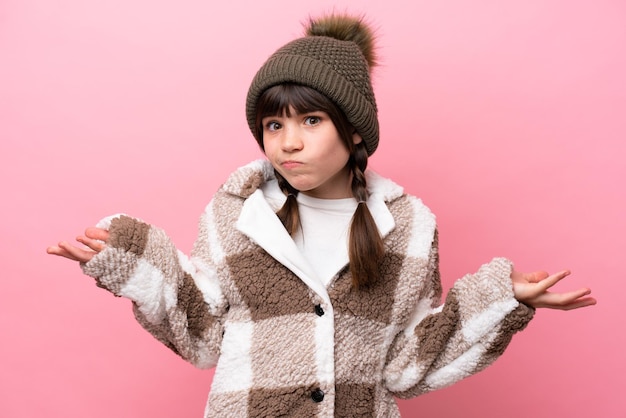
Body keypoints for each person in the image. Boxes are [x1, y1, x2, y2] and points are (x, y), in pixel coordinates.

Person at [47, 13, 596, 418]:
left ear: (354, 128)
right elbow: (205, 334)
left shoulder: (406, 227)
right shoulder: (236, 214)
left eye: (310, 120)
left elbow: (407, 361)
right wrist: (137, 263)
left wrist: (503, 300)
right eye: (274, 126)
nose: (288, 143)